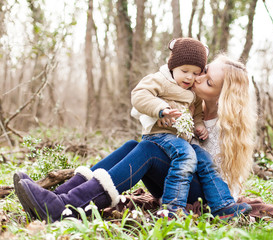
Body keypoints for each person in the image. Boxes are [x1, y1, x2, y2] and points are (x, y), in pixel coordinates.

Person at [13, 53, 257, 223]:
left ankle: (69, 209)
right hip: (174, 177)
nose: (197, 78)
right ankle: (60, 196)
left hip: (198, 195)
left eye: (208, 81)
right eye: (203, 72)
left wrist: (225, 205)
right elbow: (138, 109)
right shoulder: (189, 101)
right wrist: (159, 115)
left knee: (149, 150)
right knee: (134, 145)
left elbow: (222, 181)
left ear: (222, 96)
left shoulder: (223, 127)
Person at [131, 37, 209, 214]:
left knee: (199, 157)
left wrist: (199, 125)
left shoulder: (193, 93)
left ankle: (221, 202)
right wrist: (160, 108)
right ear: (172, 66)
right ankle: (172, 208)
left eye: (196, 73)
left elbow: (197, 112)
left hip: (178, 139)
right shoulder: (161, 80)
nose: (190, 77)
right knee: (185, 155)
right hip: (159, 135)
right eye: (185, 70)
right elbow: (139, 95)